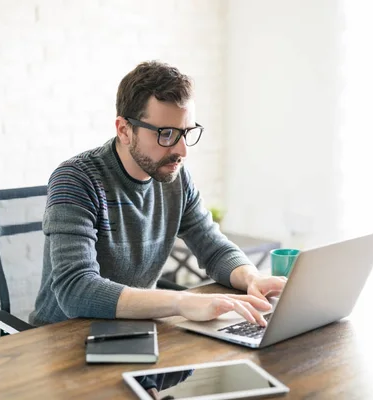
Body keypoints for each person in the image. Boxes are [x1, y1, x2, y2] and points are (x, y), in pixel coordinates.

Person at [29, 61, 286, 327]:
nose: (182, 151)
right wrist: (180, 302)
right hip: (64, 338)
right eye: (167, 134)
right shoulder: (76, 179)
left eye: (186, 133)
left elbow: (213, 248)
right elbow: (76, 290)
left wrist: (251, 278)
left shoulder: (174, 176)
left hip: (136, 328)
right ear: (124, 130)